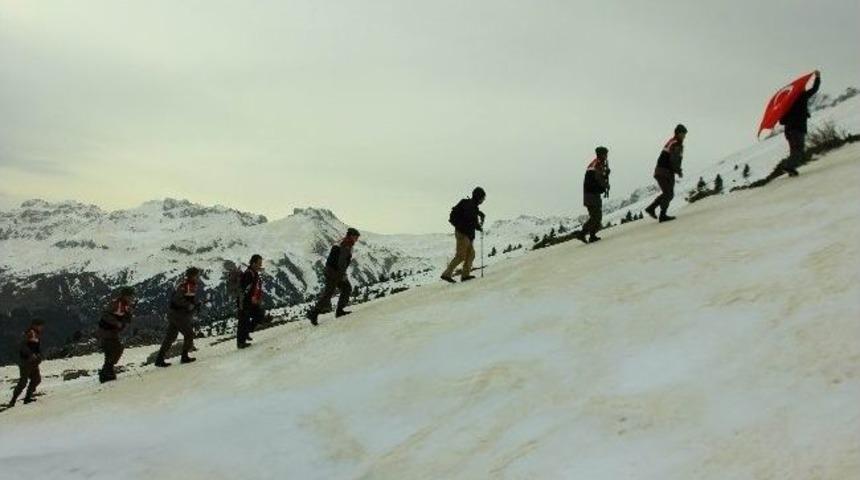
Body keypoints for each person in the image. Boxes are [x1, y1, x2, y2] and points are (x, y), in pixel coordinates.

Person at [307, 228, 361, 326]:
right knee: (331, 292)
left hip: (331, 270)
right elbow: (341, 262)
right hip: (334, 272)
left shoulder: (343, 242)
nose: (357, 239)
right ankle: (314, 313)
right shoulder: (346, 244)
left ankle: (338, 311)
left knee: (344, 288)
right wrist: (343, 274)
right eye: (356, 237)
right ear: (351, 236)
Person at [155, 267, 201, 367]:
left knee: (170, 337)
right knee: (189, 334)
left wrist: (195, 304)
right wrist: (189, 305)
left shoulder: (190, 285)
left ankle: (159, 359)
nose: (198, 277)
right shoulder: (184, 285)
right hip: (178, 314)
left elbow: (189, 298)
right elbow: (177, 299)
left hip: (175, 314)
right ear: (192, 276)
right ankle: (184, 356)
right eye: (197, 275)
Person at [778, 70, 821, 176]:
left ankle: (790, 169)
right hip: (797, 129)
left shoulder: (787, 104)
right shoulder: (801, 97)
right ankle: (787, 166)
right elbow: (814, 89)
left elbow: (782, 121)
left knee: (795, 151)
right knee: (798, 151)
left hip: (789, 131)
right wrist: (817, 78)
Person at [441, 187, 486, 283]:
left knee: (471, 254)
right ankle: (446, 274)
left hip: (466, 234)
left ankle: (465, 276)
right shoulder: (471, 206)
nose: (483, 200)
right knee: (461, 256)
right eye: (483, 198)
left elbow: (470, 215)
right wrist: (479, 226)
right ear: (479, 197)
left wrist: (479, 213)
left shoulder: (469, 204)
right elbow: (470, 220)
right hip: (463, 234)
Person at [645, 124, 687, 222]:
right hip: (665, 171)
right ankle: (662, 215)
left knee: (667, 193)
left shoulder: (672, 141)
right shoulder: (676, 144)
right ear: (679, 133)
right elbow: (674, 159)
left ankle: (651, 208)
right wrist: (678, 171)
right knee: (669, 193)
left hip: (661, 171)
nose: (684, 136)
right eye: (683, 134)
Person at [96, 287, 134, 383]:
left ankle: (107, 372)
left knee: (114, 350)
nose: (131, 298)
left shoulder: (125, 305)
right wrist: (116, 322)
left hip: (112, 331)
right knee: (114, 349)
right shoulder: (116, 303)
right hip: (105, 331)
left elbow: (125, 319)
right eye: (130, 296)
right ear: (125, 296)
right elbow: (105, 314)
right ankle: (106, 373)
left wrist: (129, 314)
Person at [576, 146, 610, 244]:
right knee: (596, 216)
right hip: (591, 194)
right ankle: (582, 233)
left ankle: (592, 235)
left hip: (591, 194)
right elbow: (598, 180)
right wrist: (604, 185)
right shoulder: (597, 165)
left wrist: (605, 175)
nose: (607, 156)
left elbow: (598, 178)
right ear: (601, 154)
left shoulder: (596, 164)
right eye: (605, 154)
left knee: (596, 216)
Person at [7, 320, 44, 406]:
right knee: (23, 382)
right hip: (26, 362)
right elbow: (22, 345)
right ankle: (13, 400)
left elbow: (36, 347)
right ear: (35, 325)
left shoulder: (36, 333)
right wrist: (31, 354)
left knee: (36, 379)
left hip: (33, 362)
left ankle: (27, 398)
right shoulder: (30, 333)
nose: (42, 327)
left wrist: (38, 356)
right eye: (40, 325)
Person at [237, 254, 264, 349]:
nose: (260, 265)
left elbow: (255, 287)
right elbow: (243, 289)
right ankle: (241, 342)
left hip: (250, 302)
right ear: (253, 263)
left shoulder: (254, 273)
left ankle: (246, 333)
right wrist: (249, 299)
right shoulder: (249, 274)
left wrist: (257, 298)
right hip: (245, 302)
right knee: (244, 321)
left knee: (259, 315)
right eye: (259, 263)